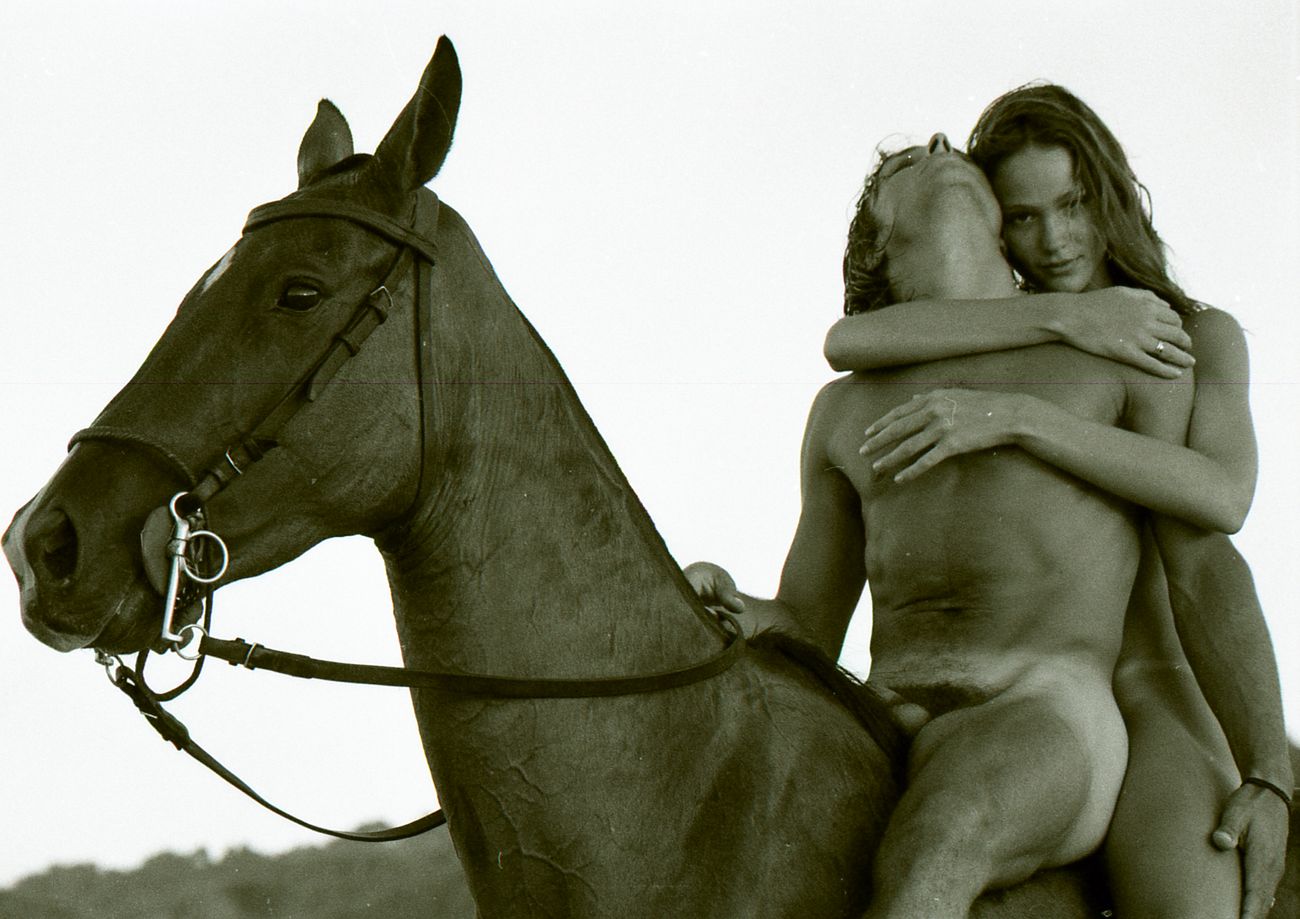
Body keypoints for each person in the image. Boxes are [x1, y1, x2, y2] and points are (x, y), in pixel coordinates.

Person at [820, 84, 1291, 919]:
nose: (1055, 239)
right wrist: (1067, 322)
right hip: (1033, 669)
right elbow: (849, 340)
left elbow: (1218, 510)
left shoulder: (1189, 337)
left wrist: (1022, 418)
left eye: (1072, 205)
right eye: (1024, 218)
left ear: (1109, 195)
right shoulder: (1023, 330)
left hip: (1151, 680)